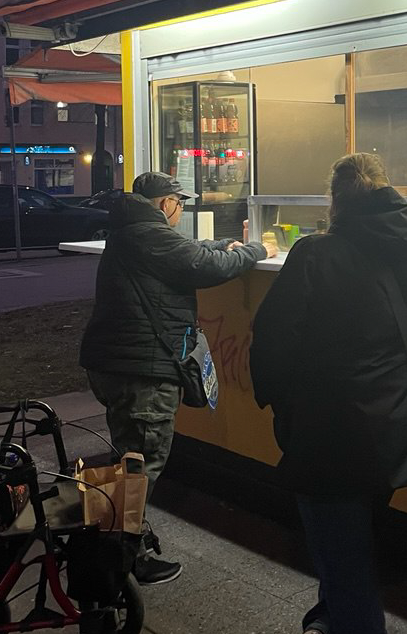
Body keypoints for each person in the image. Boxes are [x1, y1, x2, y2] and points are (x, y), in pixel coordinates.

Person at [250, 153, 407, 634]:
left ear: (335, 201)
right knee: (354, 539)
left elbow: (271, 342)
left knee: (342, 556)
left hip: (328, 430)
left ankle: (348, 621)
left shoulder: (314, 254)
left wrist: (279, 405)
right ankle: (329, 618)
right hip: (398, 428)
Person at [79, 171, 275, 586]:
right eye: (179, 203)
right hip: (141, 371)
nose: (180, 210)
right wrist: (256, 249)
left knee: (127, 460)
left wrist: (223, 244)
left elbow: (191, 253)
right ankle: (116, 566)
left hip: (116, 365)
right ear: (166, 203)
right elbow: (204, 266)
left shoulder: (133, 230)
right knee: (140, 466)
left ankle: (108, 543)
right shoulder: (148, 234)